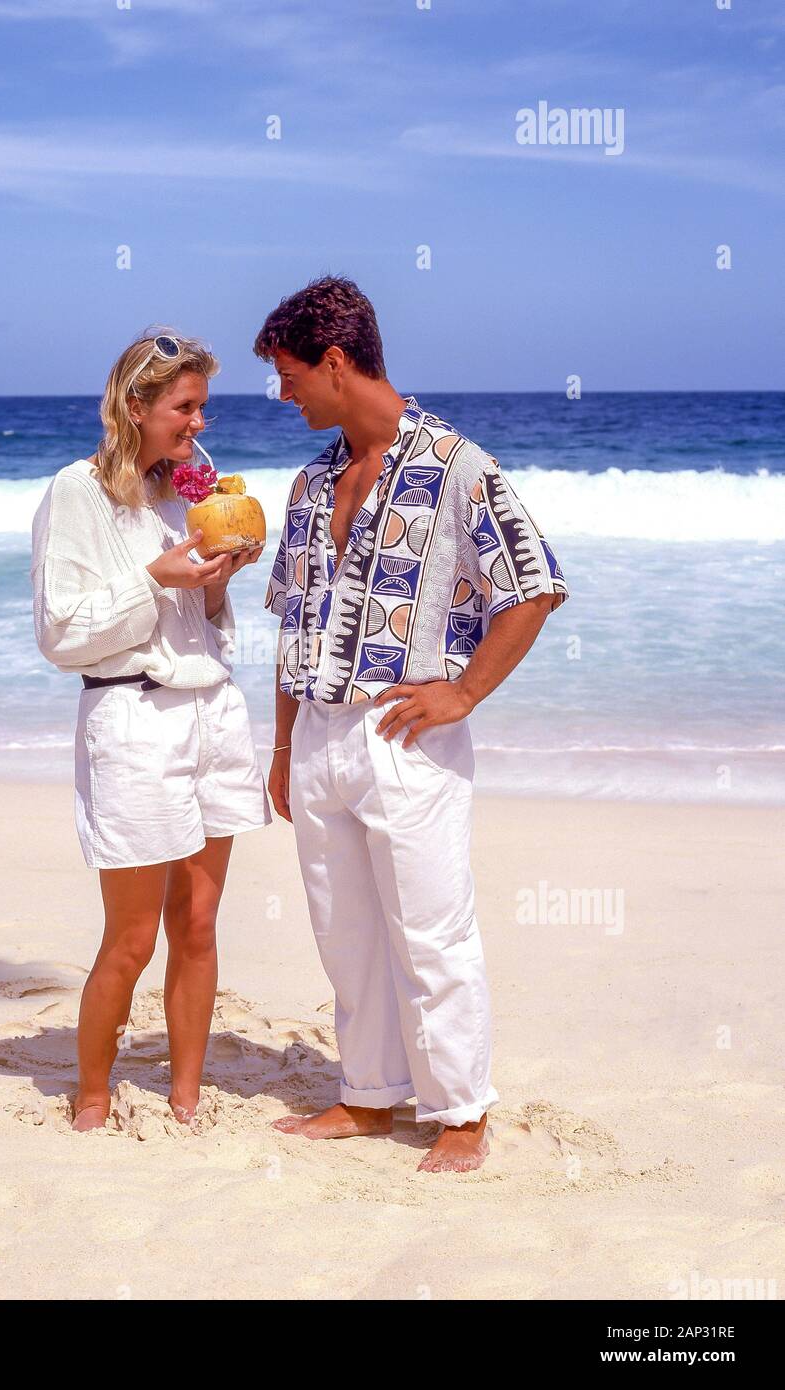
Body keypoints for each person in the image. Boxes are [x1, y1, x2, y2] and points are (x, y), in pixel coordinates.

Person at [255, 278, 569, 1173]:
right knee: (341, 930)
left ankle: (461, 1111)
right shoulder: (310, 481)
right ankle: (366, 1096)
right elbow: (293, 619)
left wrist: (464, 693)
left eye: (289, 377)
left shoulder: (456, 464)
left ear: (337, 362)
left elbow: (534, 585)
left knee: (431, 932)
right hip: (317, 733)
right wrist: (281, 748)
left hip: (406, 739)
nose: (283, 396)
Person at [30, 329, 271, 1132]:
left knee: (197, 924)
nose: (198, 423)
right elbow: (61, 636)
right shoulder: (76, 492)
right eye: (185, 406)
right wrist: (152, 578)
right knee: (130, 938)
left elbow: (198, 629)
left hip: (212, 717)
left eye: (203, 406)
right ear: (135, 405)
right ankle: (92, 1096)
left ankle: (187, 1095)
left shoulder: (188, 494)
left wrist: (212, 584)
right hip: (132, 720)